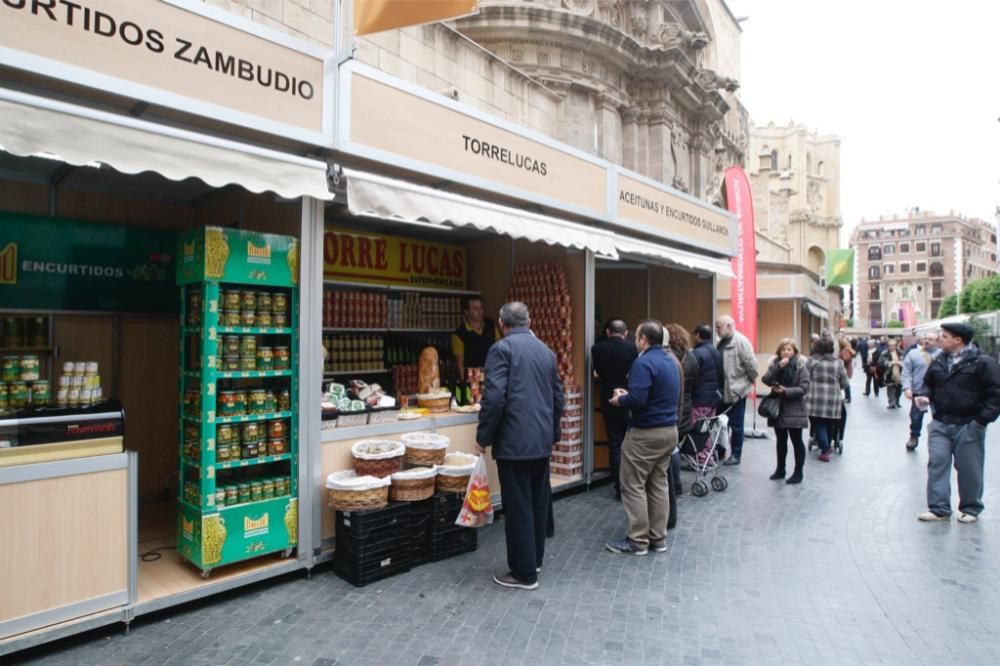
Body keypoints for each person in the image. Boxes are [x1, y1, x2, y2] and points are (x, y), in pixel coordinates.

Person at [476, 302, 564, 590]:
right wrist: (553, 433)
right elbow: (557, 398)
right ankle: (534, 560)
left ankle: (524, 573)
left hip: (514, 442)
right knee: (538, 502)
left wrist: (483, 437)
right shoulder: (546, 351)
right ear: (528, 320)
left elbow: (494, 398)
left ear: (502, 323)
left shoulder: (502, 350)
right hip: (540, 441)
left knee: (518, 506)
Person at [605, 320, 680, 556]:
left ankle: (637, 540)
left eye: (636, 336)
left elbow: (638, 399)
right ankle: (658, 538)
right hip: (669, 431)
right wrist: (632, 395)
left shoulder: (643, 362)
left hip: (645, 433)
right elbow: (653, 394)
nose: (634, 341)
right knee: (658, 484)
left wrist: (621, 399)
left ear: (644, 339)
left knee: (633, 484)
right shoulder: (670, 360)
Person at [916, 322, 1000, 523]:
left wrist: (981, 421)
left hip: (968, 423)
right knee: (937, 463)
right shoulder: (938, 361)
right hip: (941, 422)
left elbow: (996, 394)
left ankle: (970, 508)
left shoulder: (982, 362)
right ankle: (938, 508)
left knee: (969, 467)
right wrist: (924, 396)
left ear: (958, 340)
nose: (939, 339)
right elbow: (928, 383)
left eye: (944, 336)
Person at [591, 318, 638, 500]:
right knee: (632, 443)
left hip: (608, 398)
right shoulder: (633, 348)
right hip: (628, 398)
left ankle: (620, 487)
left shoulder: (597, 349)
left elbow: (599, 372)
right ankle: (633, 484)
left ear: (608, 332)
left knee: (615, 444)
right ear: (625, 333)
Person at [761, 338, 811, 484]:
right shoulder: (775, 364)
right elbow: (766, 379)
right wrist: (779, 367)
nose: (786, 352)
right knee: (781, 441)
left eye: (789, 349)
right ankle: (780, 469)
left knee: (796, 441)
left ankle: (798, 472)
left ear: (794, 351)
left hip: (795, 408)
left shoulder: (801, 365)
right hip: (779, 409)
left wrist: (786, 391)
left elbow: (804, 388)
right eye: (783, 349)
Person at [715, 315, 758, 465]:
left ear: (728, 326)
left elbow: (752, 366)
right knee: (721, 424)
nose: (717, 330)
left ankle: (736, 454)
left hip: (736, 391)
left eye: (719, 327)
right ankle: (720, 451)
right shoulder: (721, 342)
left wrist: (748, 383)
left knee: (736, 425)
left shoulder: (741, 342)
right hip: (722, 390)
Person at [665, 322, 697, 502]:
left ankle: (672, 484)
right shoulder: (691, 357)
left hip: (672, 405)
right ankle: (676, 483)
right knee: (674, 447)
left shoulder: (667, 357)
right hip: (686, 406)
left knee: (669, 449)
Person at [806, 338, 849, 463]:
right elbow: (845, 382)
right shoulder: (838, 363)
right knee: (830, 422)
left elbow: (805, 378)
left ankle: (825, 448)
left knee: (818, 422)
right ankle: (827, 444)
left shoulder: (811, 362)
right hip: (833, 398)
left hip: (815, 397)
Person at [901, 333, 940, 451]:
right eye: (926, 338)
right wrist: (907, 388)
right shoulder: (913, 354)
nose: (927, 341)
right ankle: (914, 436)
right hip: (919, 391)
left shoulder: (942, 355)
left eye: (931, 339)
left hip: (938, 392)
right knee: (916, 416)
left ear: (937, 342)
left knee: (939, 416)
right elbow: (906, 372)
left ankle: (940, 439)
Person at [690, 324, 724, 460]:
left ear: (698, 335)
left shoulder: (697, 353)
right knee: (708, 428)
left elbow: (693, 376)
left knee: (697, 428)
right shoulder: (716, 351)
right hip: (713, 398)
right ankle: (708, 455)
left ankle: (700, 457)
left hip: (699, 398)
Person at [451, 296, 502, 379]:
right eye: (475, 309)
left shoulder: (491, 325)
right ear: (466, 312)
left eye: (481, 308)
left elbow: (500, 350)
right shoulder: (459, 335)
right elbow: (460, 366)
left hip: (493, 376)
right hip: (473, 379)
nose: (480, 311)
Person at [879, 339, 904, 409]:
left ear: (896, 346)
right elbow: (880, 363)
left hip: (899, 373)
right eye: (890, 346)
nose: (892, 347)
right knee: (890, 388)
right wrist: (889, 363)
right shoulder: (884, 353)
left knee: (899, 388)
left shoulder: (900, 353)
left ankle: (897, 401)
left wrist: (900, 363)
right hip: (889, 374)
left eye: (893, 346)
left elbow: (905, 361)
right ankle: (891, 403)